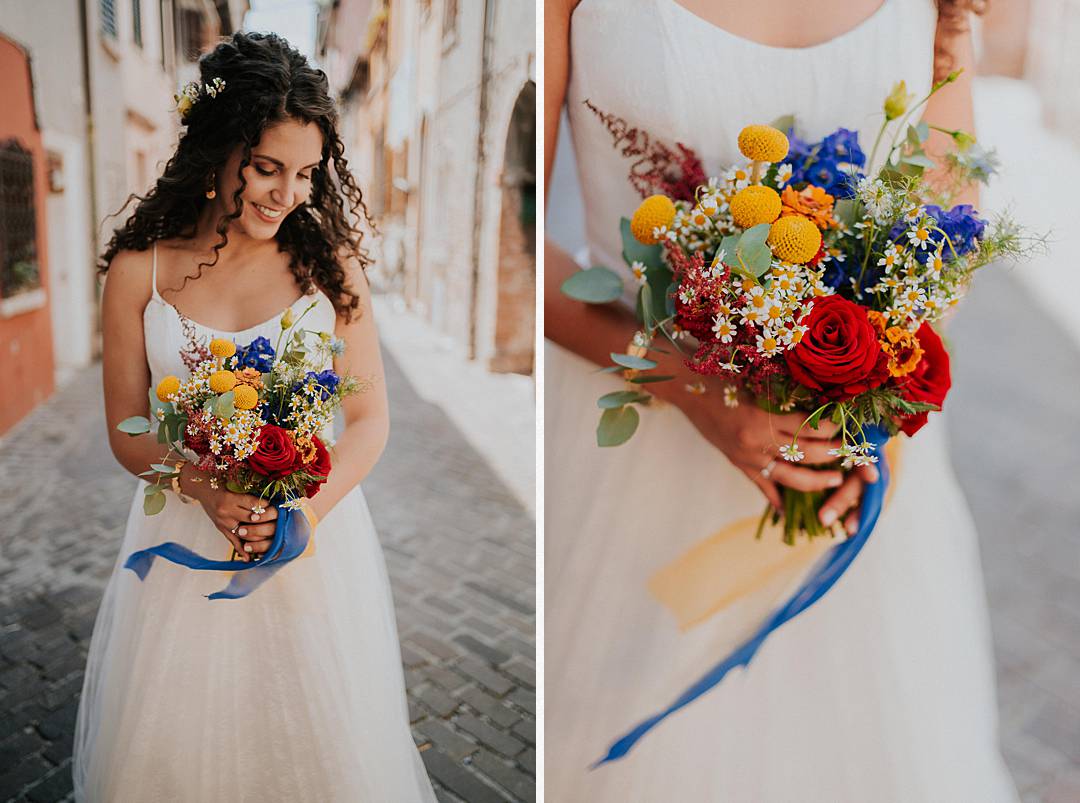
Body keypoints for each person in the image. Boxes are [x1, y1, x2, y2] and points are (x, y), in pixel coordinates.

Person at [544, 0, 1019, 799]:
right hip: (642, 453)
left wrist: (859, 370)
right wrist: (693, 387)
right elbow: (504, 238)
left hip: (860, 461)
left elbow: (950, 225)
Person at [73, 32, 436, 802]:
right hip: (183, 535)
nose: (286, 193)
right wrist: (205, 489)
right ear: (216, 150)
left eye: (305, 173)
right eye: (267, 167)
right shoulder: (140, 271)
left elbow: (369, 418)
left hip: (314, 540)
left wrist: (305, 510)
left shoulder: (329, 268)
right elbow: (126, 427)